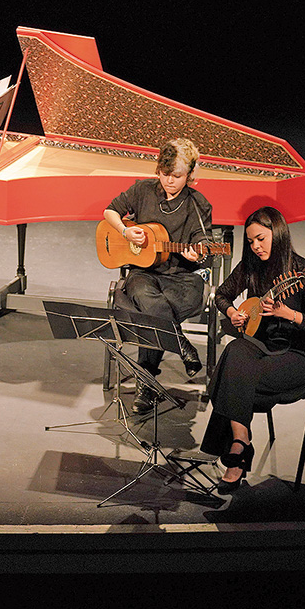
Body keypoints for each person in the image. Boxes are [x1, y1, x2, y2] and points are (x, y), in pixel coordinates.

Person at [199, 206, 305, 494]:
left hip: (300, 355)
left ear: (278, 233)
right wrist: (233, 312)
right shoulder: (251, 268)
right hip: (263, 347)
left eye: (260, 238)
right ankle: (241, 438)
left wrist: (290, 315)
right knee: (236, 349)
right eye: (250, 242)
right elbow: (221, 294)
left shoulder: (303, 271)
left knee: (235, 373)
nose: (255, 246)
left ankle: (235, 454)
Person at [103, 137, 212, 414]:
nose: (169, 181)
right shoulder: (142, 190)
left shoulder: (198, 204)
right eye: (164, 174)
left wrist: (197, 253)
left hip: (183, 278)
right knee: (141, 292)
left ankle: (147, 381)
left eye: (176, 176)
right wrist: (126, 231)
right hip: (145, 274)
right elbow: (110, 211)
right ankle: (180, 343)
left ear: (190, 174)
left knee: (152, 309)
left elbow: (204, 243)